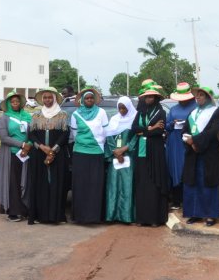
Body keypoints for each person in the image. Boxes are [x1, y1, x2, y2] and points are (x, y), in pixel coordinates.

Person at [26, 87, 70, 225]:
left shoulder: (62, 115)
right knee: (40, 183)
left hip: (58, 154)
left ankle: (57, 216)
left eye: (50, 97)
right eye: (45, 98)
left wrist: (53, 150)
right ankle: (40, 215)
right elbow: (31, 134)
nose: (47, 100)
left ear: (55, 98)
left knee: (57, 183)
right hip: (39, 154)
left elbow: (65, 134)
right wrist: (42, 147)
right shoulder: (36, 115)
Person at [182, 86, 219, 226]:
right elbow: (185, 130)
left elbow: (212, 131)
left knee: (208, 183)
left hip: (208, 152)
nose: (197, 97)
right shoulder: (192, 113)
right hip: (192, 154)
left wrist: (196, 142)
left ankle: (210, 215)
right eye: (196, 95)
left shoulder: (215, 112)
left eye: (201, 95)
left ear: (207, 97)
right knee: (193, 183)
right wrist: (190, 142)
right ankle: (195, 213)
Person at [131, 85, 170, 226]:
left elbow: (159, 132)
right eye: (147, 96)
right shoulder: (140, 113)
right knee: (142, 183)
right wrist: (151, 128)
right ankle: (142, 218)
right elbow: (134, 129)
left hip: (155, 151)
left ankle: (154, 219)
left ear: (156, 98)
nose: (149, 99)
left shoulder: (161, 112)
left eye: (151, 96)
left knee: (154, 183)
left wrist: (146, 131)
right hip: (141, 152)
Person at [70, 87, 109, 224]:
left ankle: (94, 217)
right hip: (80, 153)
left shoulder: (102, 112)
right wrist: (85, 143)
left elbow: (105, 133)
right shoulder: (75, 114)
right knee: (81, 185)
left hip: (97, 153)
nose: (89, 100)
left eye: (91, 98)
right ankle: (81, 217)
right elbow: (75, 135)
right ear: (82, 100)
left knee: (95, 185)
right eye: (87, 98)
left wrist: (96, 143)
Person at [0, 90, 32, 222]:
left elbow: (33, 133)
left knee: (26, 181)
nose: (15, 104)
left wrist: (28, 145)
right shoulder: (4, 118)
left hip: (26, 153)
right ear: (9, 104)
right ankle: (14, 211)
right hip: (12, 154)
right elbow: (4, 138)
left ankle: (25, 209)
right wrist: (22, 145)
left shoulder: (27, 116)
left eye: (17, 101)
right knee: (13, 183)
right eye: (12, 102)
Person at [104, 96, 138, 223]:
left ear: (129, 107)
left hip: (129, 156)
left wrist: (124, 150)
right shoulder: (114, 119)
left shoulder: (134, 119)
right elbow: (109, 137)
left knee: (127, 184)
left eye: (124, 108)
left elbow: (135, 138)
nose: (122, 110)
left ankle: (126, 216)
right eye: (120, 108)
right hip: (116, 157)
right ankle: (112, 215)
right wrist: (116, 152)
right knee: (113, 184)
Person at [166, 82, 197, 210]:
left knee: (187, 167)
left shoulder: (196, 108)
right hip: (174, 142)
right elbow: (166, 126)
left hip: (189, 141)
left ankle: (188, 199)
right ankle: (176, 199)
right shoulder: (173, 110)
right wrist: (172, 124)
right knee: (175, 168)